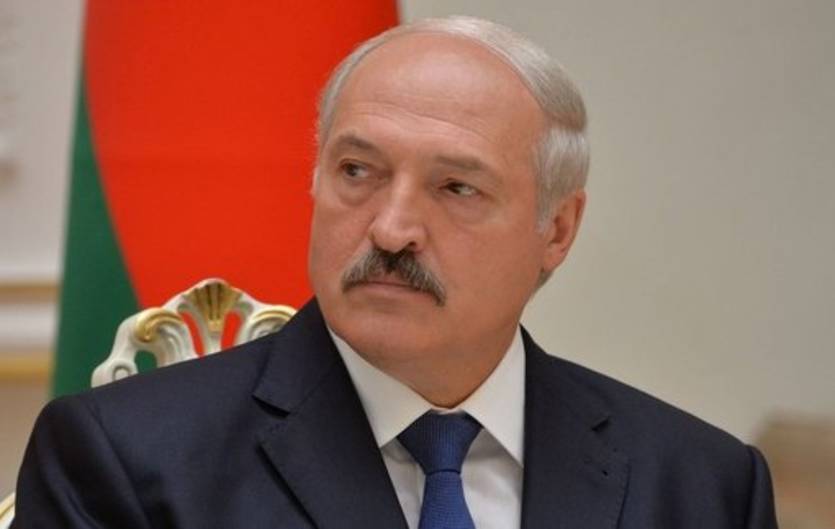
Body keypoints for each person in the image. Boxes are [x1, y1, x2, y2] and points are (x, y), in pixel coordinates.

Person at [13, 16, 777, 529]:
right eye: (357, 171)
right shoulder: (127, 460)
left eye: (456, 188)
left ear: (556, 229)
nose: (390, 228)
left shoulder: (702, 486)